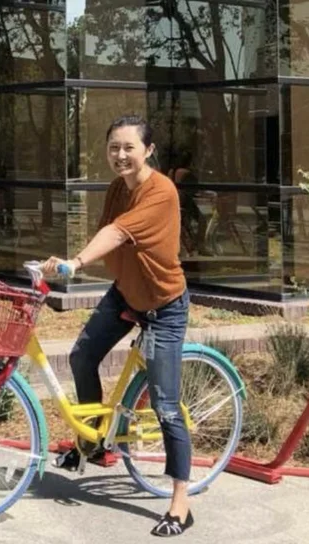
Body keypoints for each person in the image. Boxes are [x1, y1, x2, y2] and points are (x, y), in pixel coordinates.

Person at [40, 115, 194, 538]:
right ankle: (90, 443)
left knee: (165, 405)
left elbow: (117, 232)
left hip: (164, 304)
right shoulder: (115, 189)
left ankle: (181, 502)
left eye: (129, 147)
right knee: (81, 355)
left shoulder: (161, 191)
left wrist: (77, 262)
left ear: (148, 150)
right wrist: (65, 261)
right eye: (113, 148)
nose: (120, 155)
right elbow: (108, 233)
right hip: (126, 293)